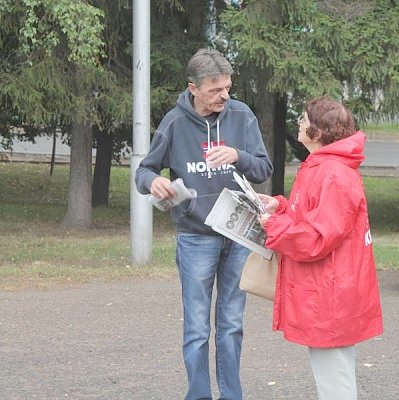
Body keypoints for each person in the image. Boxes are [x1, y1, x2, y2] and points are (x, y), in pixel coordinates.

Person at [135, 48, 273, 400]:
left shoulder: (242, 116)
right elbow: (144, 171)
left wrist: (237, 156)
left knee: (232, 325)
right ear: (193, 88)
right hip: (196, 237)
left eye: (227, 88)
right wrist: (154, 183)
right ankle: (197, 395)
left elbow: (263, 169)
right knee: (197, 327)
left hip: (240, 235)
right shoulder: (175, 122)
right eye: (215, 90)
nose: (224, 96)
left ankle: (231, 395)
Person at [258, 96, 383, 399]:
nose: (298, 124)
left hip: (331, 292)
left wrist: (273, 226)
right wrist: (280, 207)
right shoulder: (322, 166)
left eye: (303, 119)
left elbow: (317, 238)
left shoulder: (333, 173)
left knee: (335, 380)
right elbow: (314, 216)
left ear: (318, 131)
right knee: (332, 373)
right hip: (327, 289)